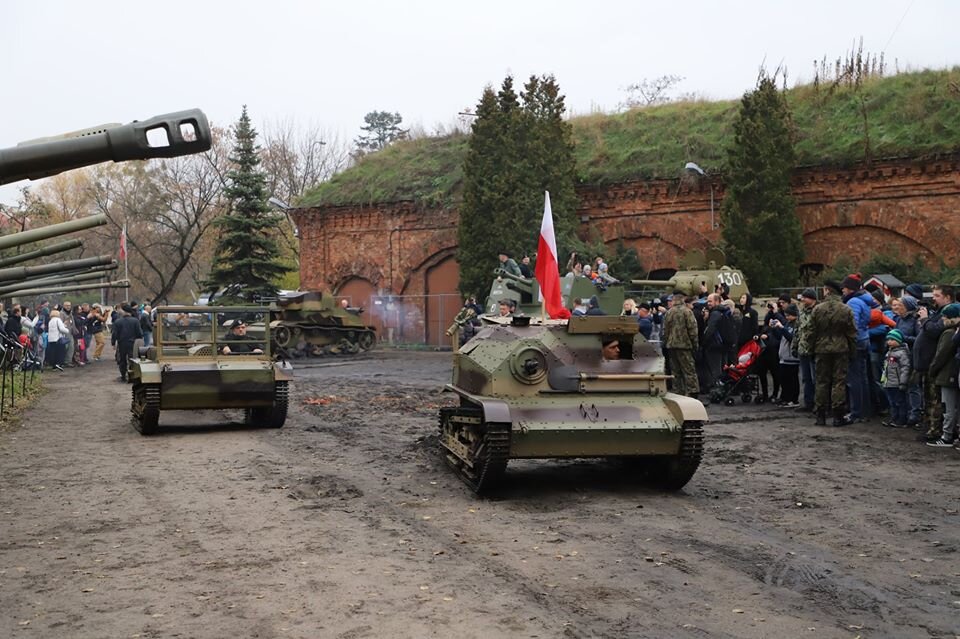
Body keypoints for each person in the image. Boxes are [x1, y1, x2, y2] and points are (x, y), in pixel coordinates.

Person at [809, 280, 858, 426]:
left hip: (821, 348)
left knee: (821, 381)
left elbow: (811, 332)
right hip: (840, 348)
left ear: (827, 291)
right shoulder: (846, 309)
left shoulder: (817, 309)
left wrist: (811, 349)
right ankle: (838, 416)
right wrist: (852, 351)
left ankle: (820, 415)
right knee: (839, 382)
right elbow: (852, 333)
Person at [914, 285, 955, 442]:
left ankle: (935, 430)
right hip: (926, 362)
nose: (933, 298)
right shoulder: (939, 313)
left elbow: (933, 330)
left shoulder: (950, 313)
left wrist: (925, 319)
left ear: (948, 297)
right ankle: (930, 426)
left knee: (935, 399)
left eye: (937, 296)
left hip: (936, 363)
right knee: (929, 397)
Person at [926, 303, 960, 447]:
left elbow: (942, 354)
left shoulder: (949, 333)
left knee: (948, 406)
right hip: (951, 373)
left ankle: (947, 436)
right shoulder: (953, 332)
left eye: (945, 316)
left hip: (947, 374)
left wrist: (932, 370)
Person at [663, 294, 699, 397]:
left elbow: (665, 330)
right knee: (689, 370)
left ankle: (678, 392)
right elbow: (693, 330)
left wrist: (666, 343)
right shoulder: (687, 312)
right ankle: (693, 392)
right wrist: (695, 344)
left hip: (672, 345)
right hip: (685, 345)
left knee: (675, 370)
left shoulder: (669, 312)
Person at [881, 329, 912, 428]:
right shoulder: (889, 352)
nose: (889, 341)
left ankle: (902, 419)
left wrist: (903, 382)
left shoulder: (902, 353)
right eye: (888, 339)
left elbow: (905, 368)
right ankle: (894, 418)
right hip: (889, 382)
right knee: (892, 402)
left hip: (897, 383)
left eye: (892, 339)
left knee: (900, 402)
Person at [771, 304, 800, 407]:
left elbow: (791, 337)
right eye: (786, 315)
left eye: (789, 315)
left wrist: (782, 328)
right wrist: (775, 328)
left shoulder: (797, 325)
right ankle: (785, 397)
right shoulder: (788, 323)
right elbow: (782, 336)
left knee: (792, 380)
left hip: (792, 357)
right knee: (784, 379)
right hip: (784, 357)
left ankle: (793, 399)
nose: (787, 317)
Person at [795, 288, 818, 412]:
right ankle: (808, 402)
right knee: (805, 378)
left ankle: (817, 403)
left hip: (813, 350)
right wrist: (795, 345)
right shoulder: (802, 312)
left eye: (805, 297)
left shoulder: (817, 311)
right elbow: (798, 330)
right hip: (803, 349)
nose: (802, 299)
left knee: (816, 379)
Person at [111, 305, 143, 382]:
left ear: (124, 311)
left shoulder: (118, 321)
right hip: (132, 343)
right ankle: (132, 375)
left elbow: (114, 334)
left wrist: (113, 343)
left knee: (122, 360)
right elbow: (139, 333)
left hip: (122, 343)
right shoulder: (135, 321)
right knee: (132, 359)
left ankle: (123, 376)